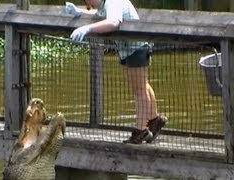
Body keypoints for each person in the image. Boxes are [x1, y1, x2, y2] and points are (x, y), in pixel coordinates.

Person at [65, 0, 167, 144]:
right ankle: (154, 120)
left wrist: (87, 28)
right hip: (127, 48)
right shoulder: (106, 4)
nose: (87, 2)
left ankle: (141, 131)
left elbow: (113, 22)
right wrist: (80, 12)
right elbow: (101, 14)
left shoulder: (113, 1)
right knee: (141, 86)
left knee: (139, 90)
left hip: (136, 47)